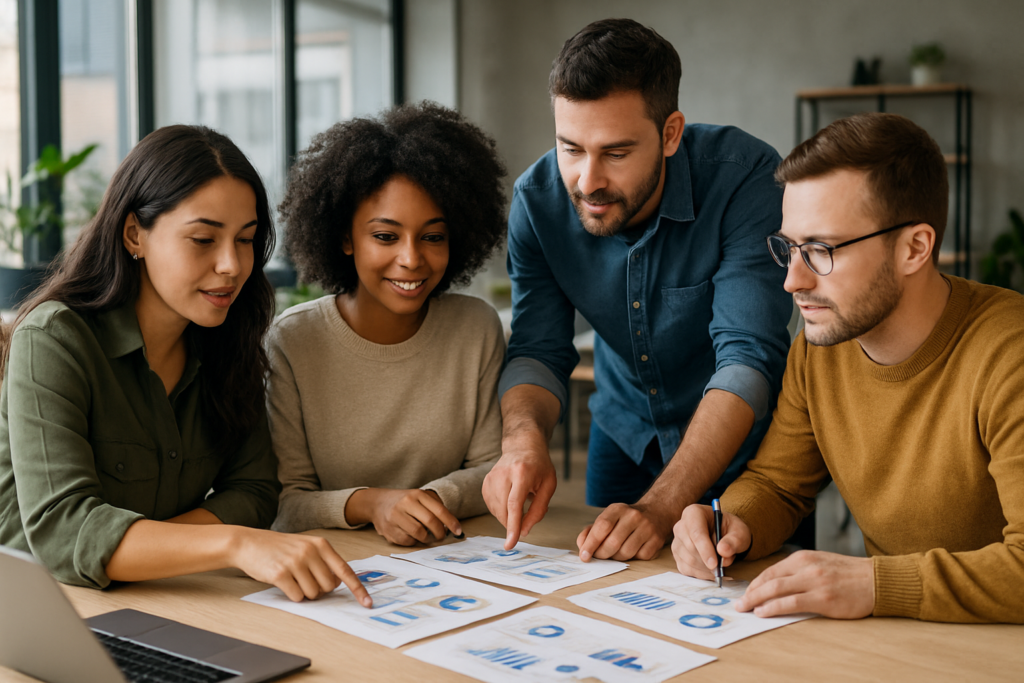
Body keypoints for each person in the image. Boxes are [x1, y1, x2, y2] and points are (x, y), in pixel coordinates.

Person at [671, 112, 1024, 624]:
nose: (792, 281)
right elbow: (778, 484)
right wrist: (729, 522)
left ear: (914, 248)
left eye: (819, 250)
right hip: (901, 639)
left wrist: (876, 584)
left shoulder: (1009, 353)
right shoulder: (821, 345)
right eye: (790, 248)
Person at [0, 125, 371, 607]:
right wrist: (232, 543)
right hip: (43, 612)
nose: (232, 266)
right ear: (135, 233)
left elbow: (255, 490)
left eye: (245, 240)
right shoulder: (54, 339)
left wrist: (147, 550)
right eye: (203, 239)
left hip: (159, 596)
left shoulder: (226, 339)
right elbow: (64, 531)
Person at [482, 18, 791, 561]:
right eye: (570, 148)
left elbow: (748, 357)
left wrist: (664, 504)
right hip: (623, 431)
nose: (587, 181)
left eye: (616, 153)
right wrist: (522, 443)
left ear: (671, 133)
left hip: (744, 451)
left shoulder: (746, 179)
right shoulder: (537, 201)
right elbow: (538, 348)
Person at [268, 103, 508, 546]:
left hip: (452, 557)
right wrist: (374, 504)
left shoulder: (475, 328)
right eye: (385, 236)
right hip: (337, 570)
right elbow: (285, 502)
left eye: (433, 237)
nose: (412, 258)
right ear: (344, 238)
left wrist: (426, 502)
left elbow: (495, 469)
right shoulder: (293, 340)